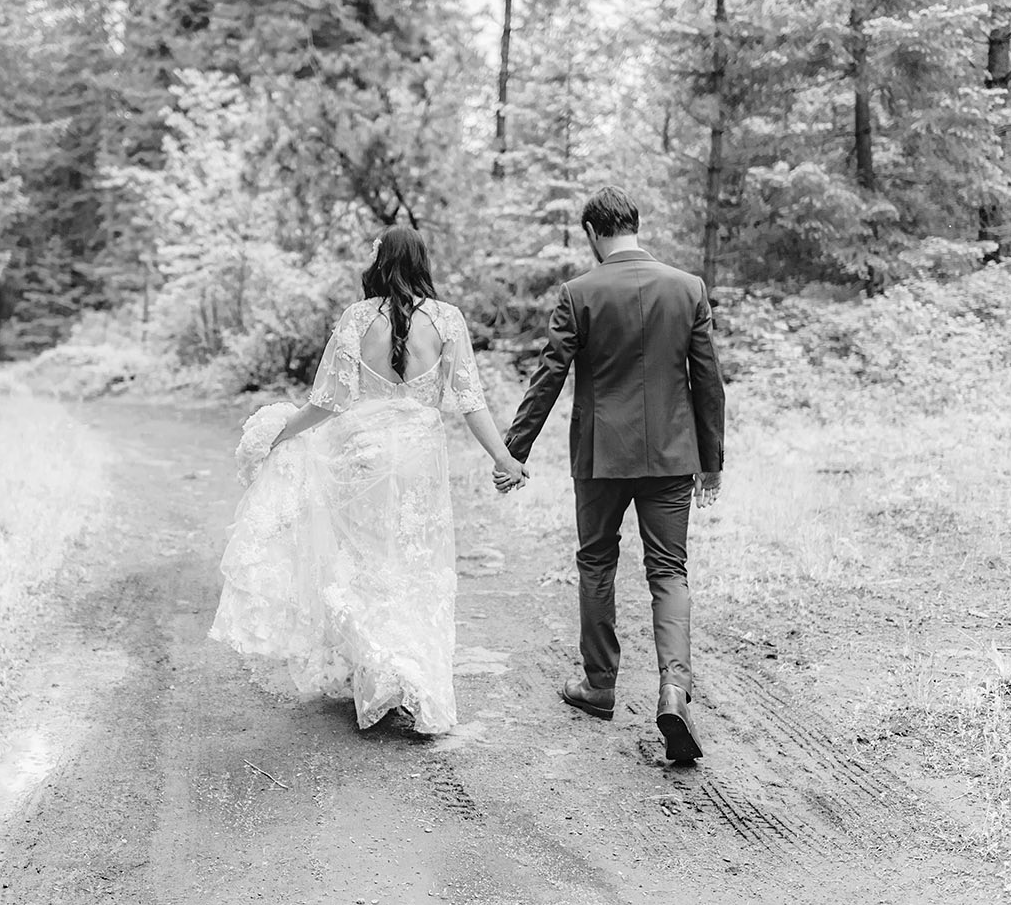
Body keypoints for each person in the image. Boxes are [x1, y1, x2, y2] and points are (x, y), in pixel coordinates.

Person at [209, 226, 526, 735]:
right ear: (422, 262)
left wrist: (279, 435)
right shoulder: (447, 320)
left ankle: (380, 670)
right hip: (421, 462)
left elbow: (328, 402)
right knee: (416, 565)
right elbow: (470, 402)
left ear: (381, 262)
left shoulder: (358, 319)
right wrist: (503, 457)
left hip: (362, 458)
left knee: (367, 562)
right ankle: (413, 676)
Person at [502, 186, 726, 762]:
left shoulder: (580, 293)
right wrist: (711, 462)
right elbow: (708, 381)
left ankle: (599, 684)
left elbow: (549, 377)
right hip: (673, 457)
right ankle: (674, 688)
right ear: (634, 225)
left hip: (601, 459)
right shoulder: (687, 288)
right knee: (669, 571)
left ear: (595, 234)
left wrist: (514, 450)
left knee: (597, 561)